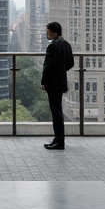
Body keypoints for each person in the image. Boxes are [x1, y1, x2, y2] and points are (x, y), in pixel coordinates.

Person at [40, 21, 73, 150]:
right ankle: (58, 139)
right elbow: (70, 63)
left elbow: (48, 66)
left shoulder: (53, 46)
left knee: (56, 112)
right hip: (61, 81)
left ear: (54, 32)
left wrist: (43, 81)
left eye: (47, 31)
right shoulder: (66, 44)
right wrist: (61, 70)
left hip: (53, 83)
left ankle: (59, 141)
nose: (46, 33)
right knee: (58, 111)